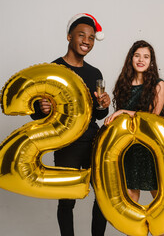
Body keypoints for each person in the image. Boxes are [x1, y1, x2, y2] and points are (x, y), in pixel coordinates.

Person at [31, 13, 110, 236]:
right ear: (69, 37)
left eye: (92, 37)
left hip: (93, 139)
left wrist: (104, 105)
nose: (87, 41)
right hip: (67, 143)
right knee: (67, 201)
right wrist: (42, 109)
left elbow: (98, 114)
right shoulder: (53, 69)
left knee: (103, 196)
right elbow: (37, 113)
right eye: (81, 35)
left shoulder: (95, 73)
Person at [104, 40, 164, 235]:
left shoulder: (158, 84)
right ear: (131, 58)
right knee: (130, 195)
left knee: (160, 196)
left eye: (146, 57)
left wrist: (124, 111)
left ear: (151, 61)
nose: (141, 60)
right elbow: (118, 118)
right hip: (128, 147)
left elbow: (152, 118)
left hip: (150, 147)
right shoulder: (123, 83)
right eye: (137, 55)